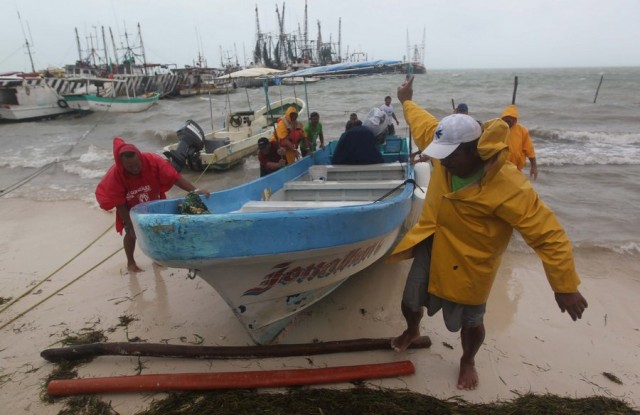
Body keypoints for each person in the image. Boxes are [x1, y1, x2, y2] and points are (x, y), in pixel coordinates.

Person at [388, 76, 588, 391]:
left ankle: (467, 359)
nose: (444, 162)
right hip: (433, 239)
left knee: (472, 322)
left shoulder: (509, 185)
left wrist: (564, 285)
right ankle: (412, 330)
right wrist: (406, 100)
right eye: (441, 155)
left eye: (452, 156)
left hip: (472, 259)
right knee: (410, 299)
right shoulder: (444, 154)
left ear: (478, 149)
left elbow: (548, 234)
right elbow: (421, 121)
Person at [96, 137, 210, 272]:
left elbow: (174, 177)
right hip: (129, 207)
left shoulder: (152, 160)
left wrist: (194, 190)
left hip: (151, 199)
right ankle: (130, 263)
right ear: (122, 165)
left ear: (140, 157)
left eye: (137, 164)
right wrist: (130, 223)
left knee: (156, 230)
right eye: (130, 167)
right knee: (131, 234)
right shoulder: (116, 174)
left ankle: (157, 258)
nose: (135, 168)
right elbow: (119, 203)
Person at [501, 104, 538, 180]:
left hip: (516, 169)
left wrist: (534, 167)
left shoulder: (522, 131)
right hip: (500, 169)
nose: (507, 122)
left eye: (509, 120)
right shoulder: (497, 129)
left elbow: (529, 150)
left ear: (515, 120)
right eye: (505, 120)